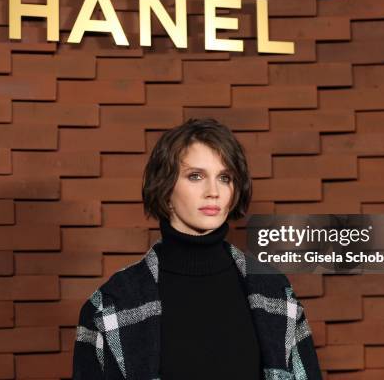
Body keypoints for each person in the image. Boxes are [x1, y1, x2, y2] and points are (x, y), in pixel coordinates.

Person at [72, 118, 322, 379]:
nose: (213, 191)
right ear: (166, 189)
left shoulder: (276, 293)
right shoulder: (111, 304)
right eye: (195, 176)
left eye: (225, 178)